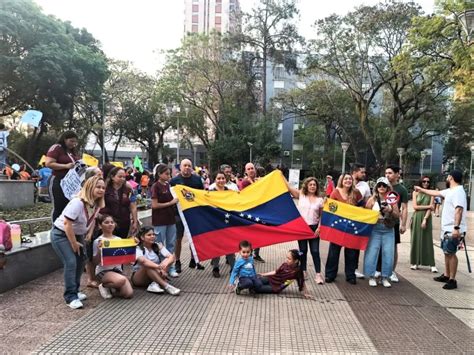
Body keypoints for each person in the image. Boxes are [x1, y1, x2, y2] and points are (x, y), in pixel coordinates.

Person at [50, 175, 105, 309]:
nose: (101, 190)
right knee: (71, 262)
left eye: (103, 188)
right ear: (90, 187)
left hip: (78, 235)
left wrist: (89, 234)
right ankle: (70, 296)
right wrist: (74, 243)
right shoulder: (78, 202)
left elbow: (92, 220)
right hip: (61, 234)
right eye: (98, 187)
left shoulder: (96, 204)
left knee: (81, 261)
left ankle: (75, 290)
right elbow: (67, 223)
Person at [414, 170, 467, 290]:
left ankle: (452, 279)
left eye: (448, 176)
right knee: (446, 251)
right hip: (447, 228)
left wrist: (456, 228)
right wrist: (421, 189)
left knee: (451, 253)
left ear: (451, 178)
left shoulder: (458, 192)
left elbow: (459, 210)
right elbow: (435, 193)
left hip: (453, 228)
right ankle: (447, 275)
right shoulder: (450, 191)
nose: (447, 178)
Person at [324, 173, 363, 284]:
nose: (348, 181)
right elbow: (331, 208)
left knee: (351, 253)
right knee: (333, 252)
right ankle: (330, 275)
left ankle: (350, 276)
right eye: (346, 179)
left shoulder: (356, 193)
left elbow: (362, 206)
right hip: (338, 227)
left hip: (351, 227)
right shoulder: (335, 192)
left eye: (350, 179)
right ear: (342, 180)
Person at [287, 177, 324, 284]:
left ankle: (318, 274)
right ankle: (303, 271)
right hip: (302, 228)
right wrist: (280, 175)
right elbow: (289, 187)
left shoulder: (320, 200)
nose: (312, 186)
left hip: (314, 228)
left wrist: (319, 227)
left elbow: (322, 216)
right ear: (306, 186)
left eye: (314, 185)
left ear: (316, 187)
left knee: (315, 251)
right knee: (303, 251)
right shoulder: (301, 196)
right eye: (310, 184)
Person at [364, 177, 400, 288]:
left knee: (388, 253)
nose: (381, 187)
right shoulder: (372, 199)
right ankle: (371, 276)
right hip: (375, 228)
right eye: (379, 185)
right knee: (372, 253)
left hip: (388, 228)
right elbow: (365, 213)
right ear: (376, 187)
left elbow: (397, 215)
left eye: (384, 185)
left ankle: (385, 277)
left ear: (388, 187)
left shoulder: (392, 199)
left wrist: (389, 210)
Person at [170, 158, 204, 272]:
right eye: (185, 165)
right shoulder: (174, 181)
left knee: (194, 238)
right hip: (178, 214)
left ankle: (194, 259)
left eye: (189, 166)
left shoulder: (198, 180)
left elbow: (202, 195)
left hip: (193, 213)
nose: (187, 168)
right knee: (178, 238)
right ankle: (177, 261)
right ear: (180, 167)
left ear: (192, 167)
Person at [377, 165, 408, 283]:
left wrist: (403, 224)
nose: (387, 175)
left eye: (390, 173)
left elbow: (404, 208)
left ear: (397, 174)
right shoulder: (380, 186)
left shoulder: (401, 189)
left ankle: (392, 271)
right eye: (386, 173)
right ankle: (379, 270)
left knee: (392, 248)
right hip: (379, 222)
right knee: (379, 247)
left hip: (393, 222)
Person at [92, 214, 133, 300]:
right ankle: (103, 285)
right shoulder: (98, 241)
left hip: (117, 270)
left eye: (112, 222)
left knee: (128, 294)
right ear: (100, 225)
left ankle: (112, 288)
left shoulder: (119, 239)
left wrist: (133, 245)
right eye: (106, 222)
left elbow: (125, 258)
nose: (110, 224)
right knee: (121, 280)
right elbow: (95, 263)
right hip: (103, 271)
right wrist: (100, 251)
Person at [131, 226, 180, 295]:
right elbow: (143, 261)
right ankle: (166, 286)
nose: (152, 236)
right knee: (147, 265)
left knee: (167, 259)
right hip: (140, 277)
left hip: (156, 272)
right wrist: (158, 267)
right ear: (142, 237)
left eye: (153, 234)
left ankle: (155, 284)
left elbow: (172, 257)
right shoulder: (137, 248)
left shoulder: (157, 245)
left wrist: (164, 266)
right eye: (149, 235)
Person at [151, 163, 179, 278]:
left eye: (169, 173)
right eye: (166, 174)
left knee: (171, 244)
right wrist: (170, 203)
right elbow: (154, 205)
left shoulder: (168, 185)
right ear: (159, 174)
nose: (169, 176)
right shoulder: (155, 186)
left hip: (170, 219)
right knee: (160, 244)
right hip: (160, 220)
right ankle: (161, 267)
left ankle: (170, 267)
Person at [45, 131, 80, 221]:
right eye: (71, 141)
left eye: (75, 142)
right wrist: (65, 166)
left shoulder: (73, 152)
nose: (73, 144)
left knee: (70, 207)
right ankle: (55, 229)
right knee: (58, 206)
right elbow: (48, 163)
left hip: (71, 183)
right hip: (58, 180)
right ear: (65, 139)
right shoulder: (56, 148)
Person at [209, 171, 236, 278]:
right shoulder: (210, 192)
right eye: (218, 178)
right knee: (217, 245)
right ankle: (215, 267)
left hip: (227, 222)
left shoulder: (230, 192)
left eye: (223, 178)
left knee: (229, 245)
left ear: (226, 179)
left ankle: (233, 268)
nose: (221, 180)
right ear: (215, 180)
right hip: (215, 223)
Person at [100, 167, 138, 238]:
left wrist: (135, 221)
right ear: (112, 177)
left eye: (124, 177)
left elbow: (133, 207)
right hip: (108, 223)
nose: (122, 179)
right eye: (120, 176)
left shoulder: (128, 189)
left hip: (124, 222)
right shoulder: (105, 189)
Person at [239, 162, 265, 263]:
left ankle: (256, 254)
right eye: (248, 169)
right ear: (246, 171)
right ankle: (249, 255)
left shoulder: (259, 180)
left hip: (260, 211)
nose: (251, 170)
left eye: (252, 168)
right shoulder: (245, 182)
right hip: (250, 211)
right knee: (250, 234)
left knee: (260, 233)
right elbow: (247, 196)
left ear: (255, 169)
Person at [410, 176, 437, 272]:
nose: (426, 183)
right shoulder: (415, 192)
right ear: (421, 182)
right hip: (417, 217)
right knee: (415, 239)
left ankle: (431, 264)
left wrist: (425, 219)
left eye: (428, 182)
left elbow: (430, 209)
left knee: (427, 240)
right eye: (424, 181)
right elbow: (415, 207)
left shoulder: (431, 193)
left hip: (426, 217)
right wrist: (429, 206)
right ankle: (414, 262)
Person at [351, 163, 372, 279]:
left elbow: (368, 200)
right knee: (337, 244)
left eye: (364, 172)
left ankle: (353, 269)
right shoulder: (346, 181)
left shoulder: (365, 185)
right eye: (362, 172)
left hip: (358, 219)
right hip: (344, 217)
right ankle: (331, 271)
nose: (364, 174)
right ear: (354, 172)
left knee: (355, 245)